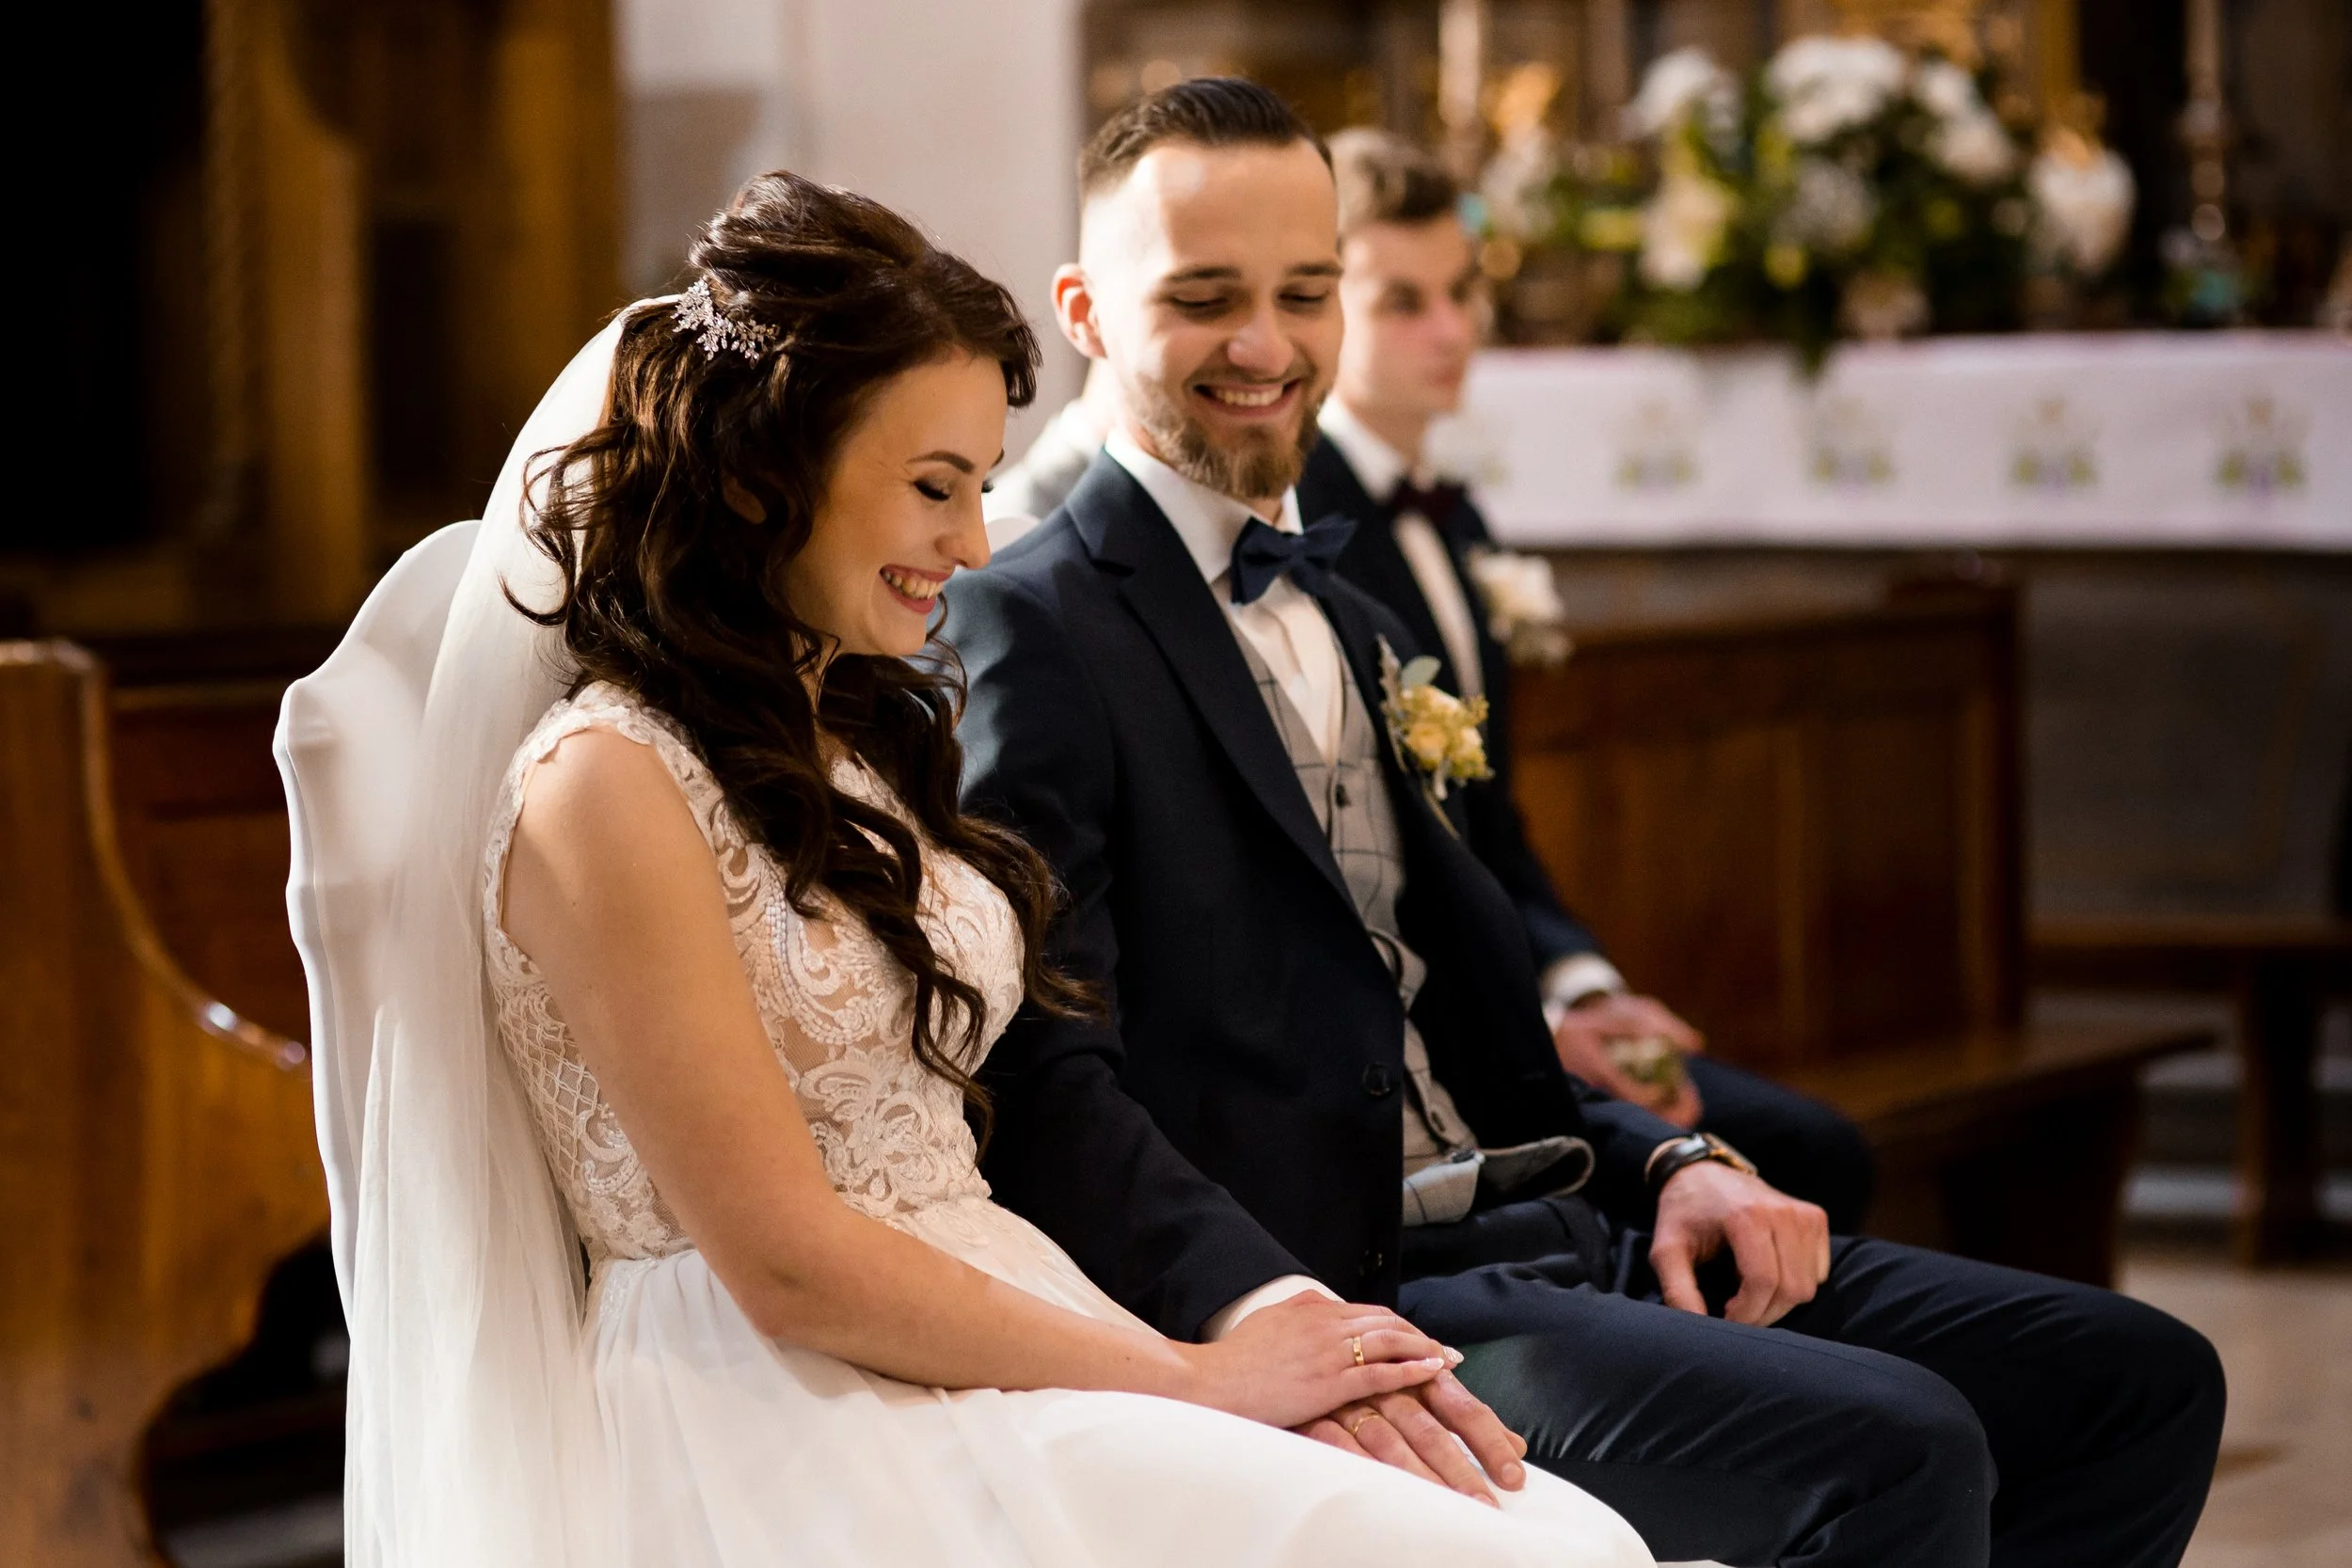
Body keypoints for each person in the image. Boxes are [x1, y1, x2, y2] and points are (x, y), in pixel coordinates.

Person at [946, 76, 2225, 1568]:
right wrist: (1259, 1304)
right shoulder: (1023, 624)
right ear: (1087, 312)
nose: (1268, 346)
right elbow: (1043, 1062)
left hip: (1560, 1219)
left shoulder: (1348, 613)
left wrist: (1665, 1163)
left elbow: (1437, 1015)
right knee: (1898, 1452)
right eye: (1206, 297)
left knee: (2136, 1379)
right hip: (1364, 1287)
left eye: (1307, 292)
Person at [311, 170, 1653, 1568]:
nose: (973, 539)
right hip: (782, 1400)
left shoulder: (855, 732)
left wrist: (1227, 1327)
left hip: (1006, 1307)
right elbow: (781, 1261)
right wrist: (1201, 1381)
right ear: (766, 480)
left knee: (1549, 1530)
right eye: (934, 486)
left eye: (982, 482)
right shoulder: (604, 786)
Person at [1298, 127, 1875, 1232]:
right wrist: (1528, 1023)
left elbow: (1491, 823)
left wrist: (1586, 987)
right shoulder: (1306, 535)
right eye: (1401, 301)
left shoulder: (1459, 520)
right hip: (1423, 1042)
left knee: (1814, 1148)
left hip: (1517, 994)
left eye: (1462, 292)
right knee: (1801, 1154)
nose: (1452, 329)